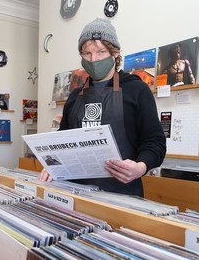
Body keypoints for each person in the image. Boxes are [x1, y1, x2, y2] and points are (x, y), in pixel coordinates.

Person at [38, 18, 166, 197]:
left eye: (101, 52)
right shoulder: (75, 96)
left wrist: (140, 167)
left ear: (115, 53)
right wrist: (54, 167)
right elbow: (63, 142)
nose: (94, 59)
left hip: (122, 193)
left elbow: (155, 142)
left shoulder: (136, 90)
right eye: (87, 53)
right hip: (76, 193)